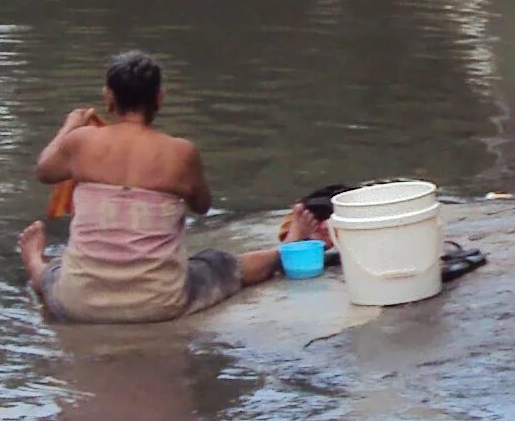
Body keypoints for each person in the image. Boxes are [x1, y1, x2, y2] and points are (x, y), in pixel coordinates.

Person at [17, 51, 324, 324]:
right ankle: (288, 248)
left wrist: (70, 126)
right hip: (159, 302)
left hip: (76, 302)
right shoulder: (180, 153)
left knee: (57, 274)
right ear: (159, 99)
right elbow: (202, 205)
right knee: (220, 263)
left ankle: (35, 264)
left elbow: (45, 170)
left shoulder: (80, 142)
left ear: (108, 97)